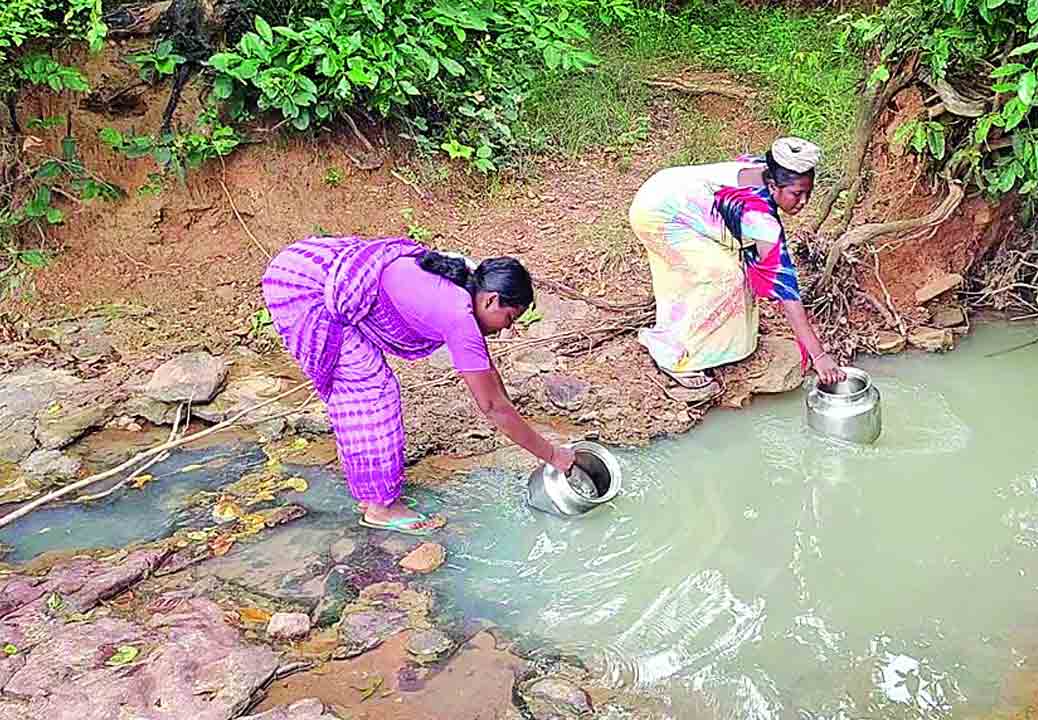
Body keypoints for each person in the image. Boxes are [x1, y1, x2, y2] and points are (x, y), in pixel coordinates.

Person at [261, 236, 575, 536]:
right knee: (371, 390)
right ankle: (380, 508)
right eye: (509, 318)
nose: (507, 329)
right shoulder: (458, 317)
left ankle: (372, 489)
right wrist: (553, 455)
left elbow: (489, 376)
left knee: (372, 384)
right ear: (492, 300)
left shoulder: (465, 277)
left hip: (314, 263)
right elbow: (492, 406)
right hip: (304, 286)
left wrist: (517, 417)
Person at [629, 136, 845, 398]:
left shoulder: (764, 167)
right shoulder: (760, 219)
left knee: (733, 269)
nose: (804, 202)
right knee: (723, 276)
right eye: (796, 194)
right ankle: (674, 355)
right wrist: (819, 355)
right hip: (657, 213)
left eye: (808, 193)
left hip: (665, 186)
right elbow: (788, 292)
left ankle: (724, 343)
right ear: (773, 185)